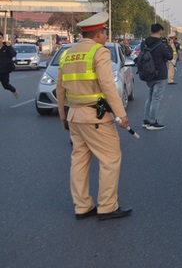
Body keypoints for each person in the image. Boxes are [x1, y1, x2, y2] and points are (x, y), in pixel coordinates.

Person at [55, 12, 132, 220]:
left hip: (74, 117)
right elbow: (108, 85)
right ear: (98, 34)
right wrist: (121, 114)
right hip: (95, 118)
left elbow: (59, 88)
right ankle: (107, 206)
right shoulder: (100, 53)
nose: (106, 35)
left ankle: (82, 206)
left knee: (79, 160)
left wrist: (63, 116)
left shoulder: (67, 54)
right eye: (105, 32)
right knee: (110, 158)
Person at [142, 24, 174, 129]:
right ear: (160, 32)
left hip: (148, 74)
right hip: (159, 75)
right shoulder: (161, 46)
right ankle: (152, 122)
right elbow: (169, 56)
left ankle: (146, 120)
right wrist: (169, 46)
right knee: (156, 98)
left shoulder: (144, 43)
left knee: (150, 97)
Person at [0, 32, 19, 99]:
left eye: (0, 38)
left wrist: (10, 46)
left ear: (2, 38)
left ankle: (14, 91)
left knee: (6, 86)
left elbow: (14, 54)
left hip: (4, 70)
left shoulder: (6, 47)